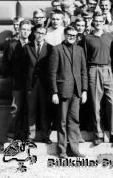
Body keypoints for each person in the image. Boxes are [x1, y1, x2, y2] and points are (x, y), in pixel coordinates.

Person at [81, 12, 113, 145]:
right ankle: (98, 134)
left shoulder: (110, 36)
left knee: (112, 103)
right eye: (95, 21)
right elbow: (84, 60)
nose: (98, 23)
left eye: (100, 21)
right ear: (93, 22)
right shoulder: (87, 38)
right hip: (94, 69)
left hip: (108, 70)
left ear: (104, 22)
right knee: (96, 104)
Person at [49, 26, 88, 158]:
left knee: (74, 121)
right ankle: (62, 151)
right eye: (69, 35)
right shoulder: (57, 49)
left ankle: (75, 149)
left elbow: (83, 72)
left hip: (76, 91)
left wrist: (84, 90)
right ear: (64, 35)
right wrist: (54, 92)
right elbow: (52, 73)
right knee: (62, 122)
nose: (71, 37)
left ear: (77, 36)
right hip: (62, 91)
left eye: (74, 35)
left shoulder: (80, 50)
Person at [23, 24, 53, 143]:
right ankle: (31, 136)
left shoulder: (50, 48)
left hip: (45, 85)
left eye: (42, 33)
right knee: (31, 110)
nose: (40, 35)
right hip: (31, 84)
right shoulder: (27, 47)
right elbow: (23, 67)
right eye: (38, 33)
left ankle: (46, 136)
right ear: (34, 33)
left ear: (45, 34)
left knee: (45, 110)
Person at [6, 20, 32, 141]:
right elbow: (7, 63)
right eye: (23, 29)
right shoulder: (12, 45)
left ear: (30, 31)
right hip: (17, 83)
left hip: (30, 84)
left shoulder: (33, 45)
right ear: (19, 30)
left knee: (29, 109)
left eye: (28, 29)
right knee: (15, 109)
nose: (25, 32)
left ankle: (26, 136)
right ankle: (12, 136)